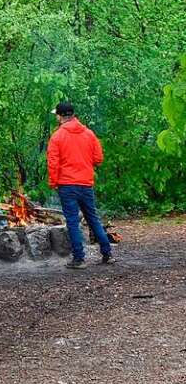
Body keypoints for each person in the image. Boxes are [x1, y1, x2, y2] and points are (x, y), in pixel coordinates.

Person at [46, 102, 114, 269]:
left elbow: (53, 162)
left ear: (60, 116)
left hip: (67, 184)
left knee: (72, 222)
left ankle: (79, 259)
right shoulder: (89, 134)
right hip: (85, 183)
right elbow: (98, 158)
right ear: (73, 115)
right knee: (93, 219)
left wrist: (53, 182)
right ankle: (107, 253)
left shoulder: (57, 136)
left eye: (57, 114)